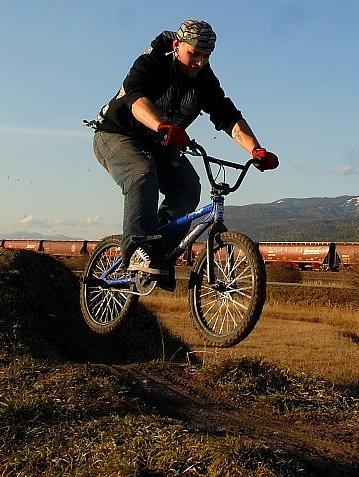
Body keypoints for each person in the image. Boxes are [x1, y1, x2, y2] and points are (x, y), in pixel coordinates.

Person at [89, 19, 278, 287]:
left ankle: (158, 256)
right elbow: (136, 99)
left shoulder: (204, 80)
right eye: (194, 54)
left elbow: (227, 116)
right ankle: (137, 250)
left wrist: (255, 149)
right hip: (116, 134)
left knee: (189, 186)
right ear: (177, 46)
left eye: (206, 56)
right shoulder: (153, 61)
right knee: (141, 173)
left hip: (159, 141)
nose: (199, 62)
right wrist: (161, 126)